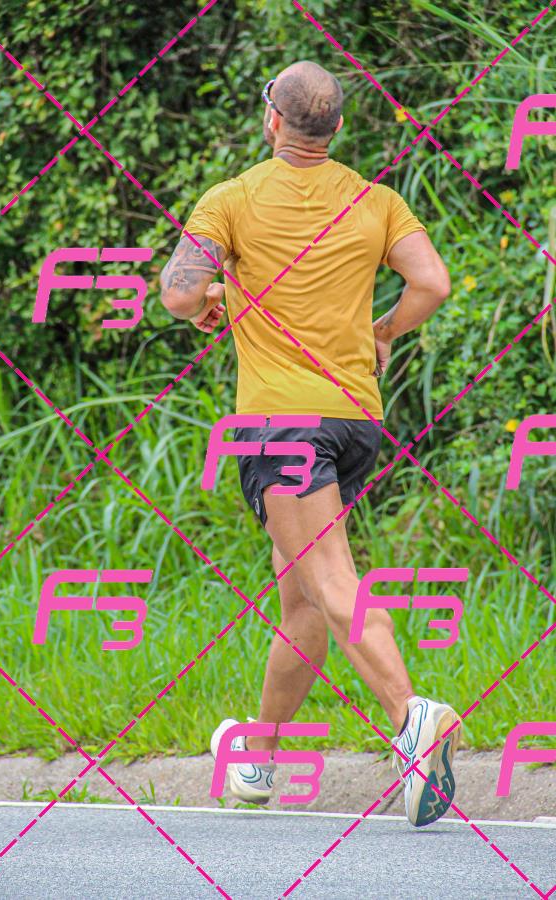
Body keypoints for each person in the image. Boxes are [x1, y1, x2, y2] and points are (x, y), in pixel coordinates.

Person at [160, 60, 458, 828]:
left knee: (328, 579)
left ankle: (411, 715)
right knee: (303, 602)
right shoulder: (375, 200)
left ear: (272, 120)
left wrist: (212, 296)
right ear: (337, 128)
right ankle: (259, 755)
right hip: (354, 422)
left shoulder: (232, 198)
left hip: (280, 425)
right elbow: (431, 283)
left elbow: (178, 293)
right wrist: (384, 330)